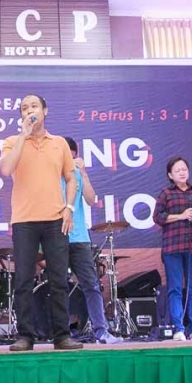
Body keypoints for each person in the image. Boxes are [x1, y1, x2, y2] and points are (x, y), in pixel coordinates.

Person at [0, 94, 82, 351]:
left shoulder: (59, 143)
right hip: (23, 221)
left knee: (59, 279)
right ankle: (25, 336)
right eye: (24, 108)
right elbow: (6, 169)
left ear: (45, 111)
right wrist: (23, 136)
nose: (29, 111)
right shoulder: (12, 142)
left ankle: (62, 336)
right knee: (23, 279)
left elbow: (71, 178)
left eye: (34, 106)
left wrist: (69, 208)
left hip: (55, 220)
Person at [62, 136, 122, 344]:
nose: (69, 161)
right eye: (66, 157)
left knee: (91, 285)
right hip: (57, 237)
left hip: (79, 237)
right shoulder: (50, 175)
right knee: (59, 287)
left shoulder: (78, 174)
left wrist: (84, 173)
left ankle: (101, 332)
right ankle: (61, 334)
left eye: (72, 157)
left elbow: (90, 199)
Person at [152, 157, 192, 341]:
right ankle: (178, 328)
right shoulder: (166, 193)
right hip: (173, 247)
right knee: (175, 288)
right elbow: (158, 217)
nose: (182, 173)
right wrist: (180, 216)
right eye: (177, 170)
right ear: (170, 175)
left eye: (184, 169)